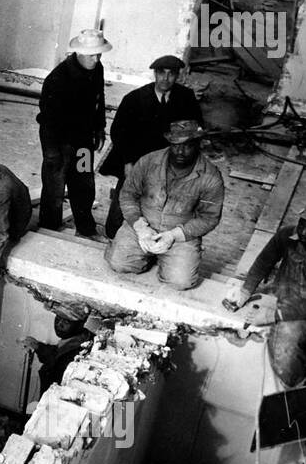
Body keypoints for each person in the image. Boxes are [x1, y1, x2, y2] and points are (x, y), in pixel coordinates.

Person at [223, 202, 306, 387]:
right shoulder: (287, 236)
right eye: (302, 224)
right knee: (284, 355)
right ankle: (293, 388)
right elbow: (263, 262)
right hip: (292, 305)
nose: (304, 232)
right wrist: (245, 291)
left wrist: (271, 315)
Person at [105, 119, 224, 290]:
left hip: (179, 234)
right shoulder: (148, 161)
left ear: (198, 144)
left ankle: (165, 258)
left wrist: (173, 235)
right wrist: (140, 227)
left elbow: (209, 217)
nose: (180, 151)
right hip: (143, 226)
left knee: (180, 282)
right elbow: (128, 195)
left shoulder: (210, 176)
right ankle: (146, 254)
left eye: (188, 145)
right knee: (119, 263)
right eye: (175, 145)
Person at [100, 55, 202, 238]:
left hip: (168, 161)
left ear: (178, 76)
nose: (166, 78)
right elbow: (118, 132)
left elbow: (195, 129)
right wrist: (128, 161)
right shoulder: (135, 98)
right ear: (155, 74)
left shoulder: (186, 98)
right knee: (126, 195)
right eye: (162, 73)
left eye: (171, 74)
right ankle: (112, 233)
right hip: (137, 159)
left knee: (162, 201)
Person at [37, 29, 111, 237]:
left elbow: (99, 99)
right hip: (58, 141)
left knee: (84, 183)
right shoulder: (57, 79)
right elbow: (48, 120)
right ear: (78, 53)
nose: (96, 60)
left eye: (99, 54)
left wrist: (100, 128)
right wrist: (51, 153)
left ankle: (85, 226)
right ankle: (48, 229)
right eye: (91, 55)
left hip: (83, 142)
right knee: (55, 187)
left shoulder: (97, 69)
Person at [20, 306, 94, 392]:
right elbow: (58, 354)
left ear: (80, 324)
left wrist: (39, 347)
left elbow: (57, 362)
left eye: (66, 322)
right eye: (58, 318)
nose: (59, 324)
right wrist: (37, 346)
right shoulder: (82, 336)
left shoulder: (83, 349)